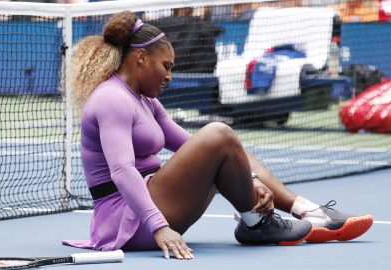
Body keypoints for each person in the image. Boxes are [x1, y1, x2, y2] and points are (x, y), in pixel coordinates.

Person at [62, 11, 373, 259]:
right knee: (219, 133)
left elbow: (190, 146)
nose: (170, 76)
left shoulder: (145, 101)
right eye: (165, 66)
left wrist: (252, 182)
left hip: (151, 202)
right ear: (141, 58)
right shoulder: (111, 98)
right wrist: (158, 228)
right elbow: (121, 170)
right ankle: (257, 222)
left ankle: (302, 210)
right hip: (129, 222)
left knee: (225, 141)